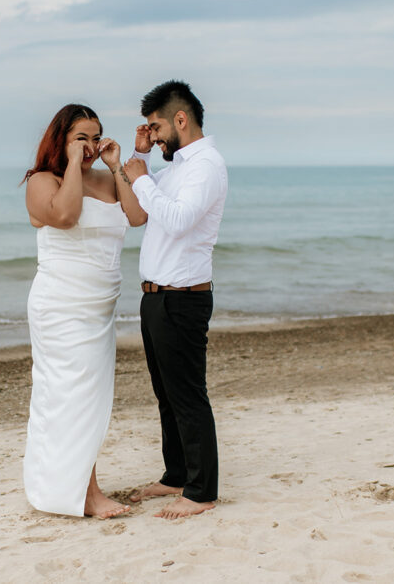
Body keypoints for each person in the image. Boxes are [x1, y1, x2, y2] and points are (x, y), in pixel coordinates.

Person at [21, 103, 147, 519]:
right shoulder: (43, 181)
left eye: (96, 137)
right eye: (82, 138)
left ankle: (77, 488)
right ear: (62, 139)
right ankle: (85, 495)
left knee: (90, 400)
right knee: (66, 398)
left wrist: (115, 167)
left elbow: (137, 215)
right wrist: (73, 163)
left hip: (98, 312)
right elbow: (66, 214)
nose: (92, 145)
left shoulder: (106, 178)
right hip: (61, 307)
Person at [122, 80, 228, 520]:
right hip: (156, 298)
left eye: (156, 126)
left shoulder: (206, 165)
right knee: (166, 394)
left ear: (180, 120)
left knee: (188, 395)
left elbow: (180, 220)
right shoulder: (177, 167)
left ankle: (202, 492)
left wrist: (143, 178)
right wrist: (139, 159)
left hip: (183, 300)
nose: (154, 133)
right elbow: (140, 214)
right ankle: (176, 475)